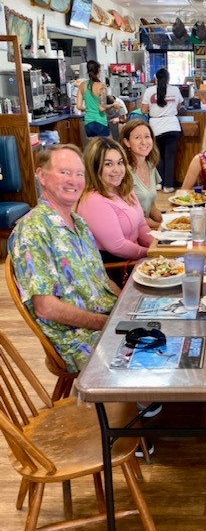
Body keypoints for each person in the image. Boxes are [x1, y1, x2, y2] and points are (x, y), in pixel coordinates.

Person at [8, 144, 119, 373]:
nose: (74, 181)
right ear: (41, 176)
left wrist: (128, 307)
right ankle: (143, 405)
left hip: (106, 319)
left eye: (79, 174)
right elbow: (46, 308)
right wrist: (105, 323)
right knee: (156, 359)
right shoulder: (33, 231)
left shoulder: (79, 223)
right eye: (64, 173)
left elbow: (102, 281)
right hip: (78, 340)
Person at [77, 137, 152, 263]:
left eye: (120, 162)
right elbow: (118, 247)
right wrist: (150, 253)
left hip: (136, 260)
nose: (117, 170)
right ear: (94, 168)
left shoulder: (124, 190)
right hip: (118, 268)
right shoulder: (94, 201)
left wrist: (158, 246)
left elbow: (141, 226)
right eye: (108, 164)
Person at [141, 67, 183, 194]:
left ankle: (159, 183)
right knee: (170, 157)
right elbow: (179, 105)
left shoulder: (149, 91)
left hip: (156, 128)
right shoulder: (175, 90)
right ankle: (168, 186)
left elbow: (143, 110)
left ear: (156, 78)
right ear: (168, 78)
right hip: (172, 126)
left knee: (158, 156)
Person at [120, 119, 163, 230]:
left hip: (148, 228)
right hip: (133, 230)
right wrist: (161, 226)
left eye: (147, 137)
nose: (144, 142)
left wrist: (166, 221)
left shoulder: (150, 166)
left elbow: (151, 206)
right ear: (127, 142)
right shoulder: (123, 172)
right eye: (137, 138)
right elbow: (133, 216)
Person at [76, 60, 110, 138]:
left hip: (88, 123)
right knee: (104, 148)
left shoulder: (82, 85)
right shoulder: (102, 86)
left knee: (93, 148)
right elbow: (102, 108)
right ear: (98, 71)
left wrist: (90, 108)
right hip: (100, 122)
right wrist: (113, 105)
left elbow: (79, 106)